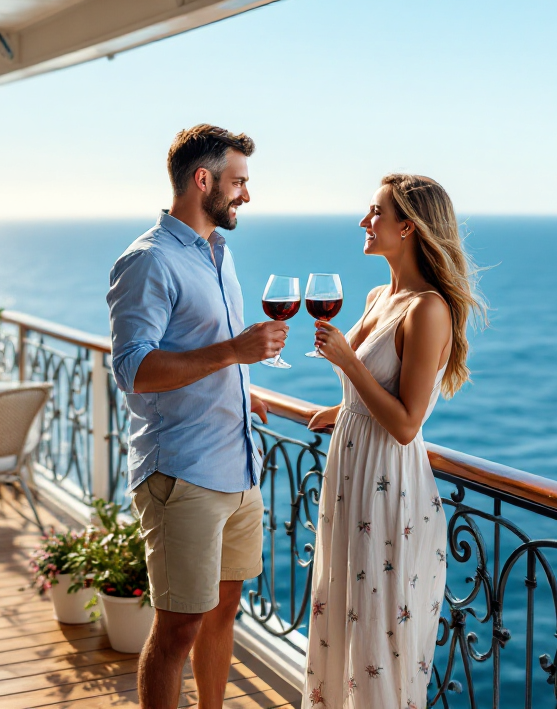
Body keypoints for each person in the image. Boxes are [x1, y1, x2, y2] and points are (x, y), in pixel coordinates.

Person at [107, 125, 288, 709]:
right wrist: (234, 353)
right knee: (176, 631)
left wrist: (238, 389)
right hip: (183, 473)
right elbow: (133, 368)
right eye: (238, 182)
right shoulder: (148, 261)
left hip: (238, 468)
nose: (246, 195)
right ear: (203, 180)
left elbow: (199, 350)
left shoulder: (217, 254)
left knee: (223, 612)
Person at [301, 174, 485, 709]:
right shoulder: (379, 296)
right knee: (342, 613)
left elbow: (406, 424)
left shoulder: (428, 309)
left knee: (375, 633)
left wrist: (348, 362)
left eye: (376, 212)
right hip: (350, 472)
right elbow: (377, 390)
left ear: (408, 227)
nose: (365, 221)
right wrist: (343, 410)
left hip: (387, 483)